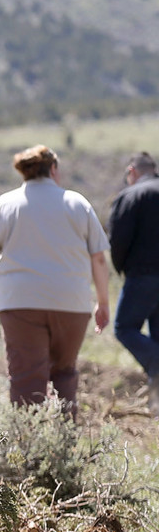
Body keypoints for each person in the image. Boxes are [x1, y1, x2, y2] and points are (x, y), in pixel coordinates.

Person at [0, 145, 110, 415]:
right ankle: (63, 442)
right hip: (71, 303)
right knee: (64, 374)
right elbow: (99, 259)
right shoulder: (78, 203)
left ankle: (28, 447)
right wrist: (103, 301)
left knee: (26, 379)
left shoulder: (5, 204)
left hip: (19, 303)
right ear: (53, 169)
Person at [108, 151, 159, 411]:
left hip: (143, 275)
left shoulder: (130, 196)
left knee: (124, 328)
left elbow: (118, 240)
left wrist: (122, 268)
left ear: (132, 171)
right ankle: (156, 406)